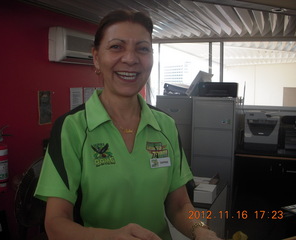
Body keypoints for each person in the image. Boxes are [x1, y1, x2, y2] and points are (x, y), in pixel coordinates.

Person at [35, 9, 222, 240]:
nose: (131, 59)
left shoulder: (165, 125)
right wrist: (108, 237)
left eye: (142, 49)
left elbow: (180, 205)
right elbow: (55, 223)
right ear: (96, 58)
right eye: (116, 47)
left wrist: (202, 231)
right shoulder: (72, 128)